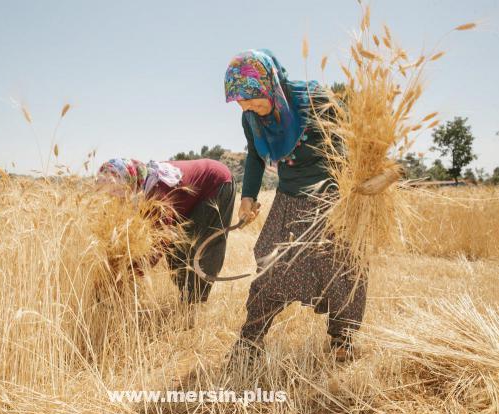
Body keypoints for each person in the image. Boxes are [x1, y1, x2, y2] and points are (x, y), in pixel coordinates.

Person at [224, 49, 367, 363]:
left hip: (329, 196)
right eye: (240, 102)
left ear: (270, 84)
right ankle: (251, 340)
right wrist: (248, 196)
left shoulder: (313, 99)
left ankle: (343, 338)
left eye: (252, 99)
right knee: (269, 261)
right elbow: (253, 155)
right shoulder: (251, 118)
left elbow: (348, 142)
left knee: (338, 265)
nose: (247, 107)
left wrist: (351, 195)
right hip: (288, 196)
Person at [97, 158, 236, 303]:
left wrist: (128, 277)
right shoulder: (139, 185)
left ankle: (194, 305)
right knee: (177, 253)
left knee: (199, 251)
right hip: (190, 197)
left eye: (117, 196)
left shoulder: (157, 193)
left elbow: (159, 243)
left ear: (128, 184)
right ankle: (188, 298)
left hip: (216, 184)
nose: (116, 201)